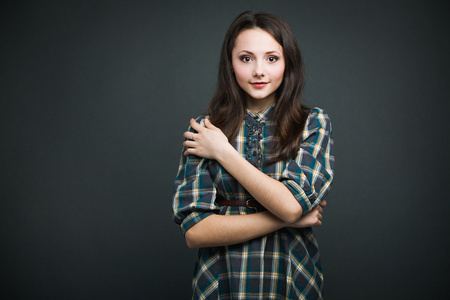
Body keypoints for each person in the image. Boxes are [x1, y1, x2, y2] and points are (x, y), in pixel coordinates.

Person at [172, 11, 334, 299]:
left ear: (288, 63)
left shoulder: (312, 123)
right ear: (230, 64)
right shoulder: (205, 130)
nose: (259, 70)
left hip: (291, 278)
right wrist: (287, 219)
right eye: (246, 58)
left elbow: (291, 205)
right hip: (221, 282)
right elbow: (196, 232)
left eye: (272, 58)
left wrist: (223, 152)